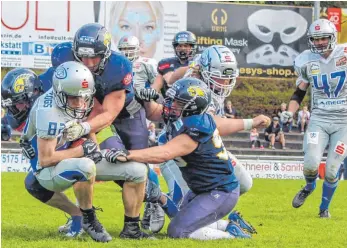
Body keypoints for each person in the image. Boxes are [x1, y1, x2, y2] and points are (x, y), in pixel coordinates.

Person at [105, 78, 271, 240]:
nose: (170, 105)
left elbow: (165, 153)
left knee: (178, 231)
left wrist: (129, 154)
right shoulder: (189, 118)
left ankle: (231, 236)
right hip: (201, 188)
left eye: (177, 102)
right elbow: (156, 112)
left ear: (191, 107)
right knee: (179, 216)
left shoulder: (194, 127)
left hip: (220, 191)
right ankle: (228, 224)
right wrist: (147, 101)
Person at [140, 45, 256, 233]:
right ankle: (160, 202)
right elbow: (213, 123)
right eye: (220, 76)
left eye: (228, 77)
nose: (225, 82)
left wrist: (175, 75)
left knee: (243, 183)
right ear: (206, 71)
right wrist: (250, 123)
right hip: (179, 150)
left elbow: (173, 75)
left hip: (202, 146)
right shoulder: (195, 89)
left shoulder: (199, 71)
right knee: (182, 208)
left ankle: (214, 218)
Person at [20, 61, 112, 242]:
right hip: (45, 163)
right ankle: (88, 218)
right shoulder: (48, 111)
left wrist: (95, 149)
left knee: (135, 171)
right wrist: (83, 149)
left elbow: (86, 126)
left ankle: (137, 218)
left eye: (83, 97)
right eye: (73, 98)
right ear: (60, 93)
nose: (79, 103)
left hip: (61, 150)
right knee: (85, 166)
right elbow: (46, 159)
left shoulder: (77, 97)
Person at [281, 19, 347, 218]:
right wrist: (290, 112)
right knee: (310, 164)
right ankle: (309, 186)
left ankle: (323, 209)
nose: (319, 43)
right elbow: (299, 92)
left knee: (332, 169)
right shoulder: (306, 60)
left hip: (344, 121)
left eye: (323, 38)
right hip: (319, 119)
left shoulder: (344, 54)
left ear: (333, 37)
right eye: (315, 39)